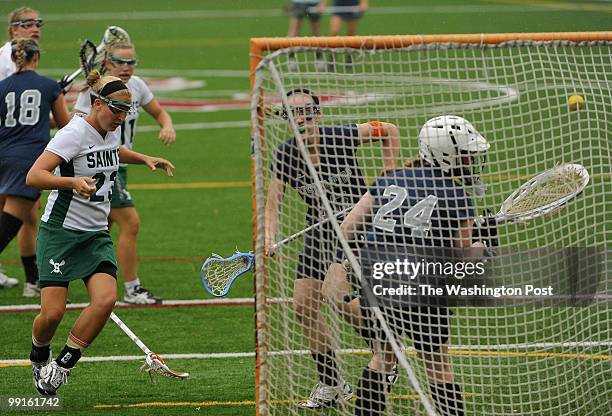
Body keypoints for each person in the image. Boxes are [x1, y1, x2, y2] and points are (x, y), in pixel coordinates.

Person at [331, 115, 492, 415]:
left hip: (378, 284)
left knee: (383, 356)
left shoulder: (387, 179)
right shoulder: (457, 195)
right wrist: (484, 244)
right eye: (466, 154)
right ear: (447, 154)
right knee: (437, 362)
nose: (470, 160)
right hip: (423, 290)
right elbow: (462, 258)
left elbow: (347, 230)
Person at [26, 70, 174, 395]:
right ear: (96, 103)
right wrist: (71, 182)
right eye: (115, 110)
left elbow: (113, 151)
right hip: (61, 234)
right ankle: (39, 352)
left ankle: (63, 365)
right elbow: (35, 175)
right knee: (51, 314)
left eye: (126, 113)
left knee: (106, 300)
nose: (120, 118)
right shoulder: (73, 133)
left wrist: (144, 158)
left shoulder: (108, 130)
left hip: (95, 235)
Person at [264, 88, 400, 409]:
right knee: (303, 307)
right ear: (285, 119)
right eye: (294, 113)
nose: (302, 119)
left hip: (357, 227)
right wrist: (270, 236)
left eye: (308, 111)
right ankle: (331, 382)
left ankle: (386, 352)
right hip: (320, 232)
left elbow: (389, 131)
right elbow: (273, 204)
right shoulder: (285, 155)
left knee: (335, 294)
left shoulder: (341, 136)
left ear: (318, 113)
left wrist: (389, 175)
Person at [73, 41, 176, 304]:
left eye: (131, 63)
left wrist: (167, 125)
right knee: (130, 222)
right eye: (120, 62)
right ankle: (132, 288)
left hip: (121, 163)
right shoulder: (95, 92)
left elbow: (159, 111)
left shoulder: (137, 86)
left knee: (102, 226)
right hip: (103, 163)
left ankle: (71, 272)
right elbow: (75, 128)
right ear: (107, 60)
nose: (126, 68)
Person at [0, 7, 45, 294]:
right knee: (23, 212)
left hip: (10, 145)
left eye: (38, 23)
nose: (36, 28)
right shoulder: (8, 60)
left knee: (25, 213)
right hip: (13, 147)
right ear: (14, 29)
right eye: (28, 23)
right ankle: (33, 281)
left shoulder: (13, 57)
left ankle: (32, 280)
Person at [287, 1, 326, 69]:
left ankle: (319, 58)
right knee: (294, 31)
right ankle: (291, 58)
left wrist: (322, 3)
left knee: (316, 32)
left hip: (314, 3)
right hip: (298, 3)